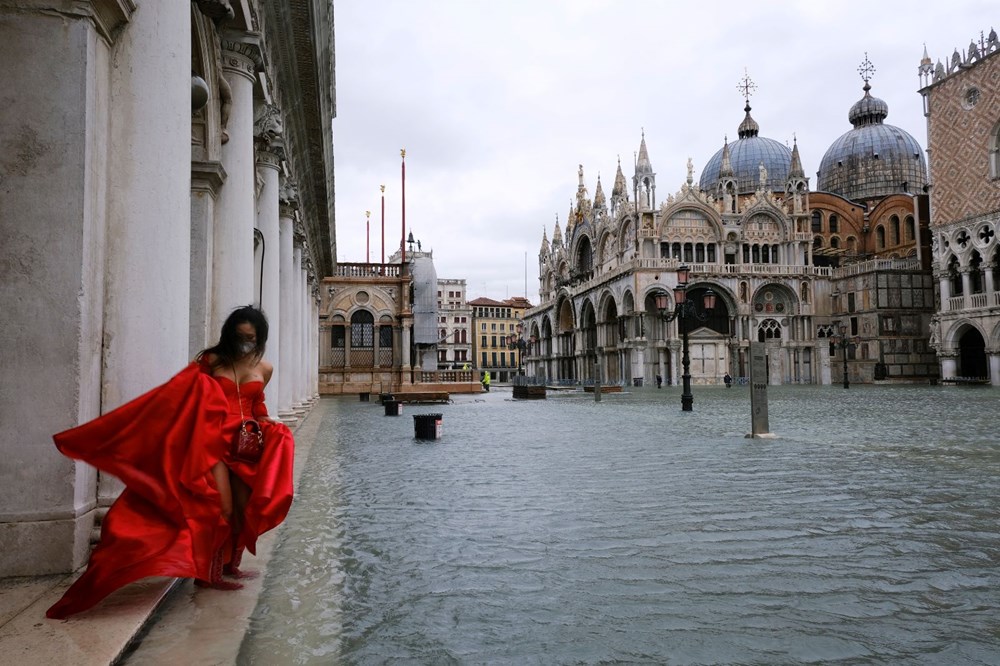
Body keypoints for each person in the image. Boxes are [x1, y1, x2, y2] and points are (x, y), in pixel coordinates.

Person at [46, 306, 294, 619]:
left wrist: (269, 423)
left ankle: (232, 566)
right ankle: (209, 576)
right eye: (240, 336)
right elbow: (183, 394)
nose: (245, 342)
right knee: (222, 507)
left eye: (251, 338)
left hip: (245, 445)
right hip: (211, 442)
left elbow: (257, 405)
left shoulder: (265, 367)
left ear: (259, 339)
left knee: (244, 510)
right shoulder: (211, 360)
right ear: (230, 334)